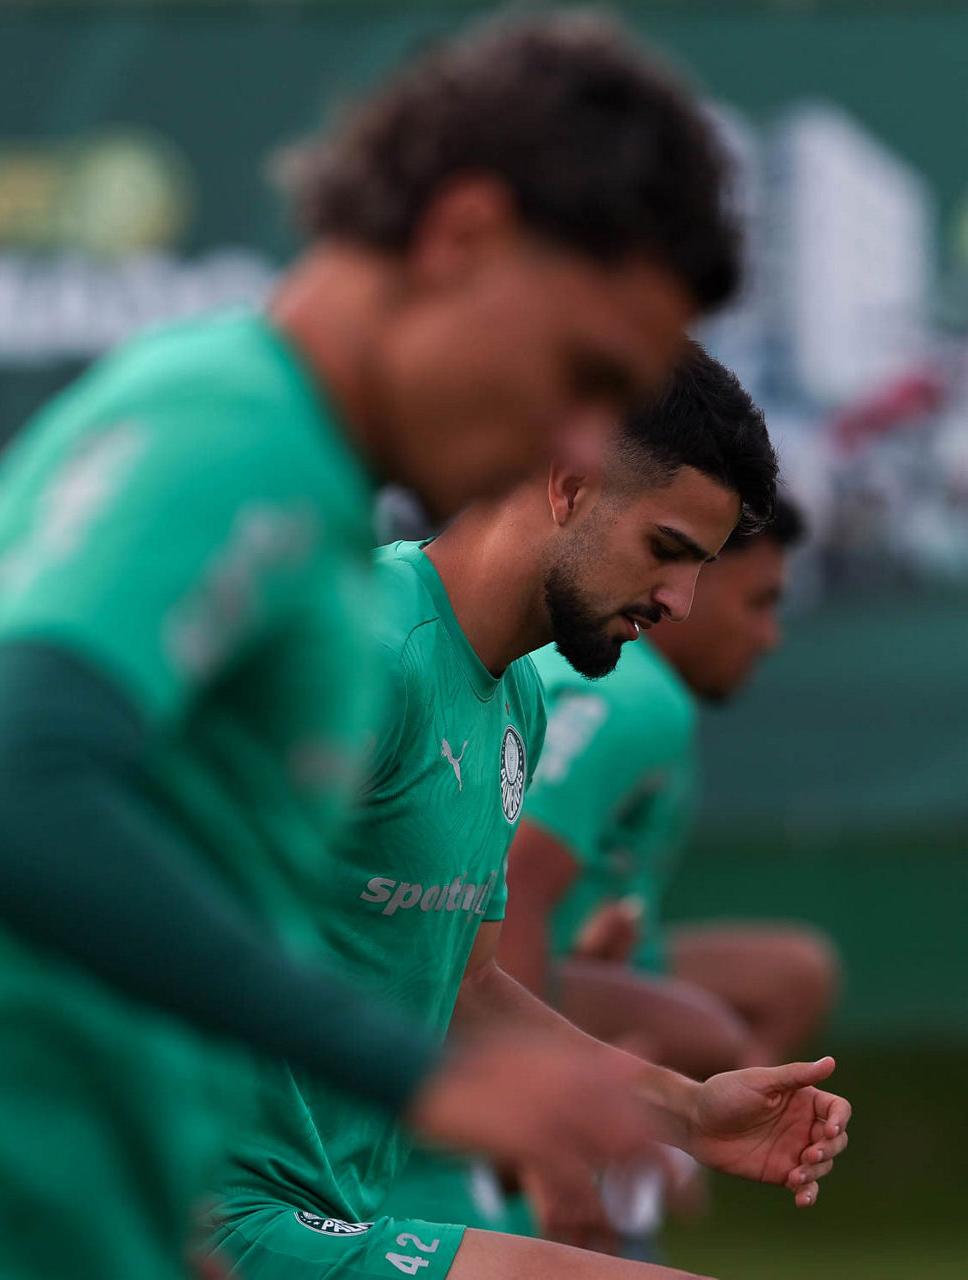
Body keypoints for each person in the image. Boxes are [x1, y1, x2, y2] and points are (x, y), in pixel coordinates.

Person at [0, 12, 744, 1280]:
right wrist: (417, 1076)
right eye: (579, 371)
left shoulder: (315, 510)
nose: (577, 447)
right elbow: (10, 791)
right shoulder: (230, 430)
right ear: (463, 237)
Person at [207, 344, 851, 1280]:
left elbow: (469, 989)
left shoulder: (518, 702)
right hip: (197, 1212)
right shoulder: (369, 649)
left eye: (702, 567)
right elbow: (141, 903)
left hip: (327, 1209)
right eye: (666, 550)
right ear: (569, 486)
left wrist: (686, 1110)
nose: (679, 601)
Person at [498, 494, 837, 1257]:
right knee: (707, 1034)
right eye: (758, 602)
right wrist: (543, 1145)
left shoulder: (572, 672)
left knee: (789, 977)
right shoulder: (636, 697)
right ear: (694, 580)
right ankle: (617, 1161)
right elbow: (510, 893)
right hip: (484, 1010)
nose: (769, 636)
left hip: (489, 989)